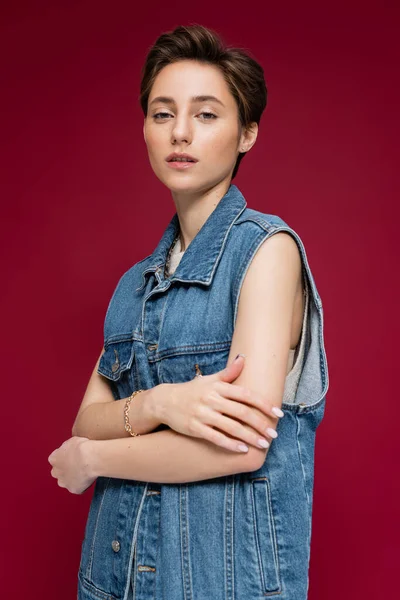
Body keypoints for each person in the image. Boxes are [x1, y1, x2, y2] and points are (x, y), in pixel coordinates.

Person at [48, 24, 329, 600]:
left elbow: (245, 445)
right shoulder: (134, 284)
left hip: (220, 582)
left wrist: (93, 459)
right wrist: (162, 403)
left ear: (247, 132)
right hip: (116, 574)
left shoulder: (266, 252)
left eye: (206, 115)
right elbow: (85, 416)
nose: (180, 132)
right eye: (161, 113)